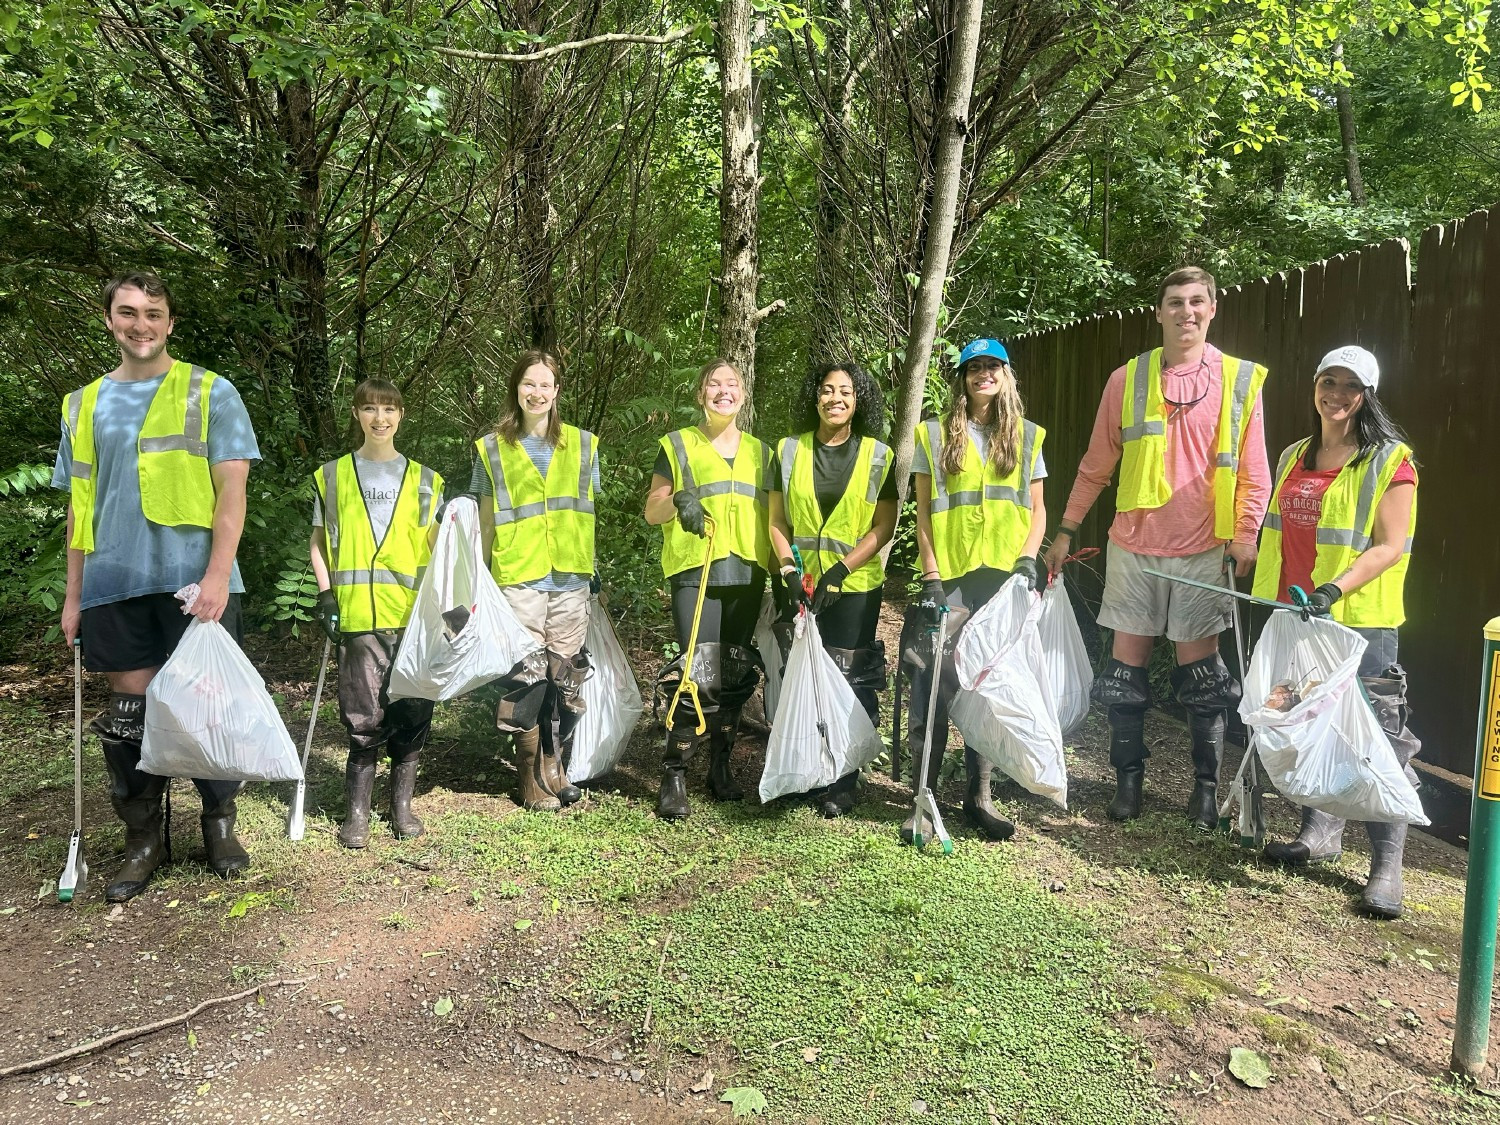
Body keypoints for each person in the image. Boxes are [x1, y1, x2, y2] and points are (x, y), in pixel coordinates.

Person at [54, 271, 260, 901]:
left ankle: (218, 824)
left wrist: (218, 576)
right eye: (127, 312)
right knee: (129, 717)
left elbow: (233, 490)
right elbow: (79, 508)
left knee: (205, 708)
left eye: (153, 313)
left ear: (170, 322)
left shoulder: (210, 390)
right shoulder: (82, 404)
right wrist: (73, 594)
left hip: (194, 582)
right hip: (114, 583)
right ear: (109, 319)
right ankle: (143, 838)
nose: (140, 324)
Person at [1044, 267, 1270, 830]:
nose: (1186, 312)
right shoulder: (1128, 379)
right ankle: (1128, 783)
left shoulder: (1239, 381)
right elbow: (1096, 466)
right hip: (1135, 548)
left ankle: (1204, 790)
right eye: (1175, 302)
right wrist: (1065, 531)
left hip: (1204, 549)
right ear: (1159, 311)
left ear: (1212, 309)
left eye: (1197, 302)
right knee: (1125, 671)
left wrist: (1246, 534)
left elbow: (1254, 471)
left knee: (1203, 679)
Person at [1254, 345, 1420, 918]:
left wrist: (1334, 589)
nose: (1337, 395)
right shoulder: (1295, 454)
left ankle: (1387, 866)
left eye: (1351, 386)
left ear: (1366, 395)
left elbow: (1390, 544)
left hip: (1358, 621)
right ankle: (1319, 832)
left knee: (1377, 740)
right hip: (1299, 617)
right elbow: (1282, 531)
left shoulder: (1389, 460)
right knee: (1307, 723)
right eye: (1329, 381)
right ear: (1315, 385)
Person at [905, 338, 1047, 844]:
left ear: (1005, 375)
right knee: (936, 679)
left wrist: (1029, 558)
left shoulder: (1028, 436)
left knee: (986, 683)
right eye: (973, 368)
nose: (983, 374)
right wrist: (930, 574)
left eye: (992, 367)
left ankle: (979, 797)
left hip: (1003, 578)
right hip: (954, 577)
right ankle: (923, 795)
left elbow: (1038, 508)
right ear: (962, 379)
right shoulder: (934, 435)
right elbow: (923, 513)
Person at [310, 379, 443, 847]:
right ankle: (357, 813)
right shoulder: (332, 475)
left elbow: (440, 550)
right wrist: (327, 596)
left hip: (412, 616)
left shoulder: (428, 481)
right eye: (370, 409)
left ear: (401, 416)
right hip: (358, 614)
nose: (380, 418)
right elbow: (319, 541)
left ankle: (401, 806)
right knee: (363, 714)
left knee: (411, 707)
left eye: (389, 409)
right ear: (356, 414)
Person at [768, 362, 897, 817]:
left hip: (854, 586)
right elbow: (777, 521)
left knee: (850, 675)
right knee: (801, 675)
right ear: (815, 398)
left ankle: (843, 776)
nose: (835, 399)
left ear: (858, 400)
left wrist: (842, 569)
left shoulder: (879, 455)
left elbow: (884, 525)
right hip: (799, 583)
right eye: (826, 390)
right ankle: (809, 769)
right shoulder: (786, 451)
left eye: (845, 391)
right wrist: (787, 570)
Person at [644, 360, 771, 819]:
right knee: (695, 673)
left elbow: (776, 517)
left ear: (743, 394)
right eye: (714, 384)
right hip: (695, 572)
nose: (723, 391)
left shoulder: (762, 452)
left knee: (734, 674)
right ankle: (675, 772)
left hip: (747, 573)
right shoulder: (677, 445)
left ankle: (721, 768)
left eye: (732, 384)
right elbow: (651, 511)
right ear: (701, 394)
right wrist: (677, 500)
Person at [473, 350, 599, 813]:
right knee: (526, 679)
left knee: (565, 678)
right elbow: (485, 521)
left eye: (546, 384)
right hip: (517, 576)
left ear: (557, 391)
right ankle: (527, 778)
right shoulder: (491, 448)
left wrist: (592, 568)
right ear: (516, 388)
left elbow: (586, 513)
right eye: (529, 383)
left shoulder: (585, 446)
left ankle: (554, 765)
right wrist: (480, 581)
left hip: (569, 577)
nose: (537, 392)